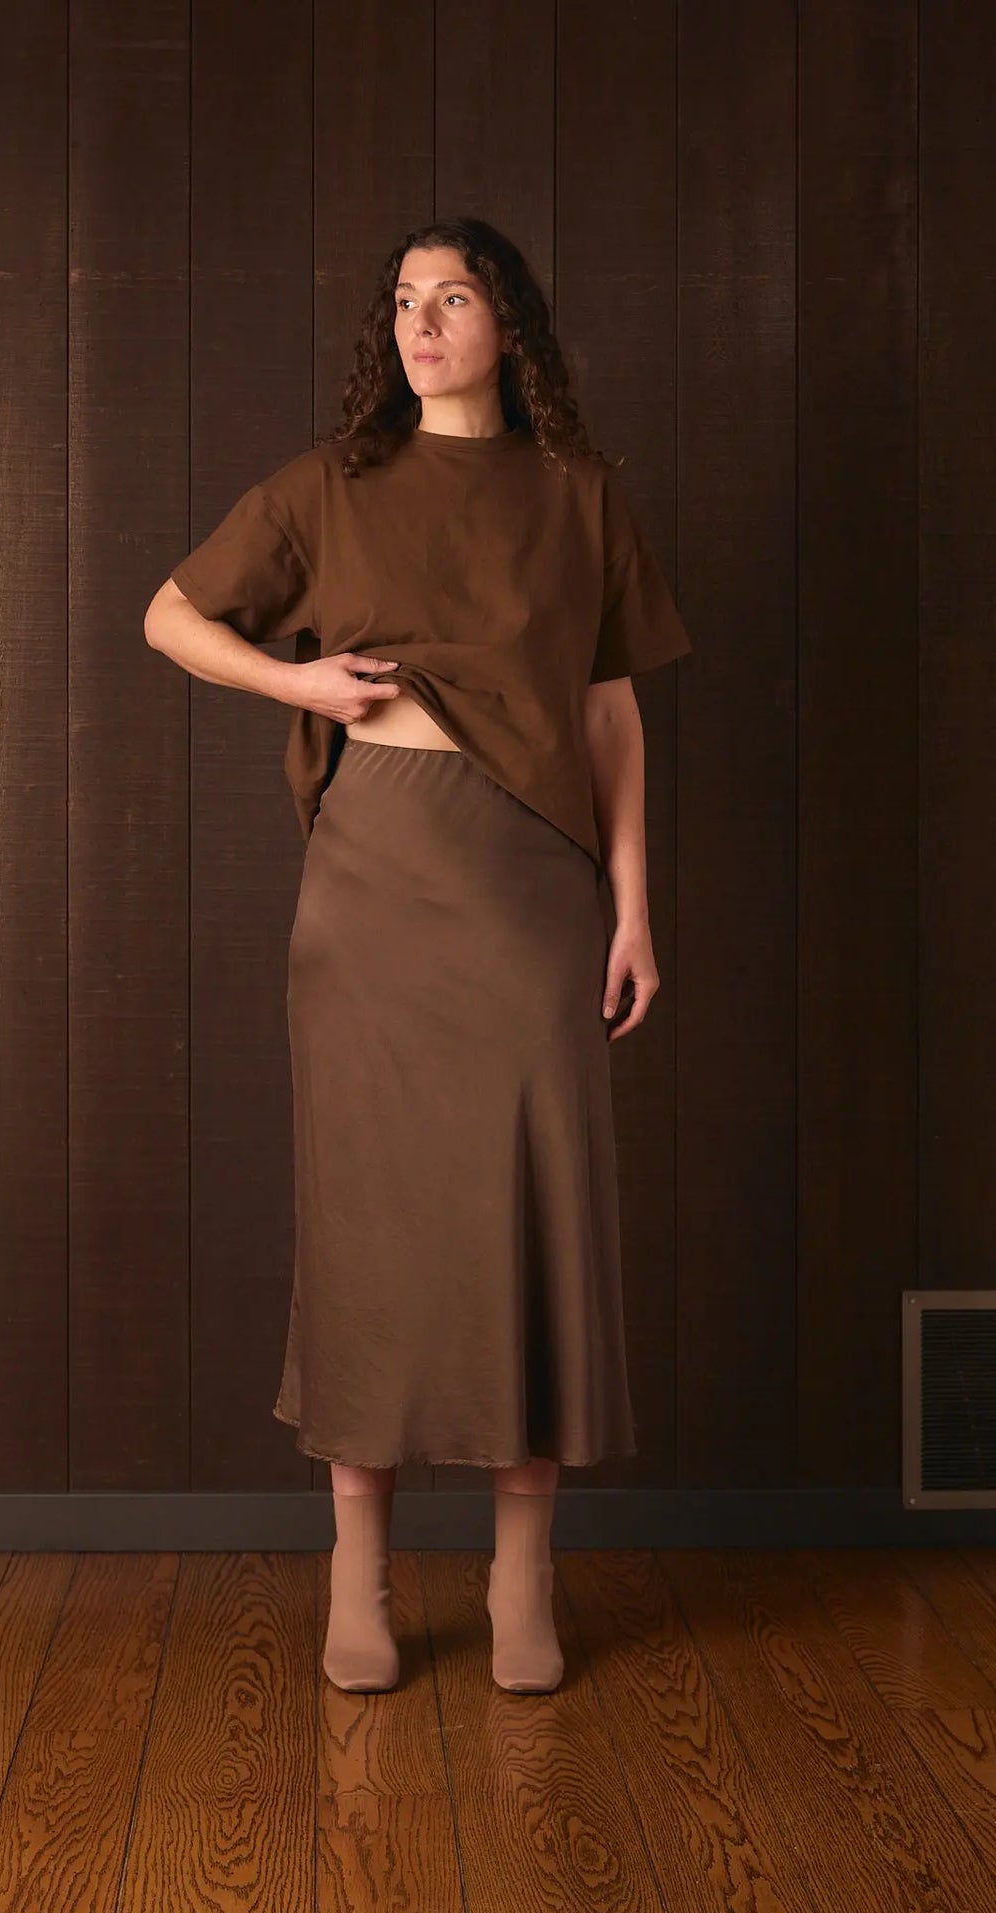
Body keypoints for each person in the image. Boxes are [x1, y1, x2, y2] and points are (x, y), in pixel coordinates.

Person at [144, 215, 693, 1696]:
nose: (422, 324)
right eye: (403, 301)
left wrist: (634, 910)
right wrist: (300, 683)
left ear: (510, 325)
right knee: (368, 1220)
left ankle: (522, 1579)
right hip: (372, 888)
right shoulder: (332, 485)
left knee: (533, 1211)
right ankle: (361, 1577)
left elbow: (611, 717)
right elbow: (170, 616)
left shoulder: (580, 496)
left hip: (531, 893)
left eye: (453, 298)